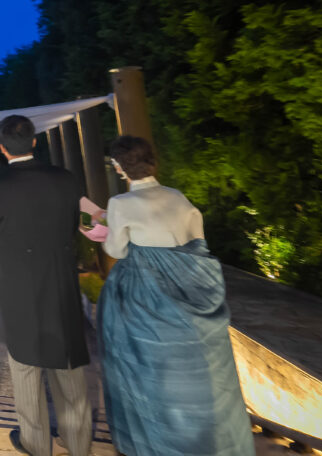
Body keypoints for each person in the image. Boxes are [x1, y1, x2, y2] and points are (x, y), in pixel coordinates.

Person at [98, 136, 254, 456]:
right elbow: (198, 243)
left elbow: (116, 249)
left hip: (147, 297)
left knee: (149, 373)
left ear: (119, 167)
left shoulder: (121, 204)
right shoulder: (178, 197)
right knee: (202, 374)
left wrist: (102, 232)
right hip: (193, 290)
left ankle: (160, 443)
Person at [0, 115, 92, 456]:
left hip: (18, 285)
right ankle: (79, 443)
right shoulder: (66, 179)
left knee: (25, 366)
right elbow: (75, 223)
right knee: (68, 365)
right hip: (59, 280)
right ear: (35, 141)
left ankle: (37, 444)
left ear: (2, 147)